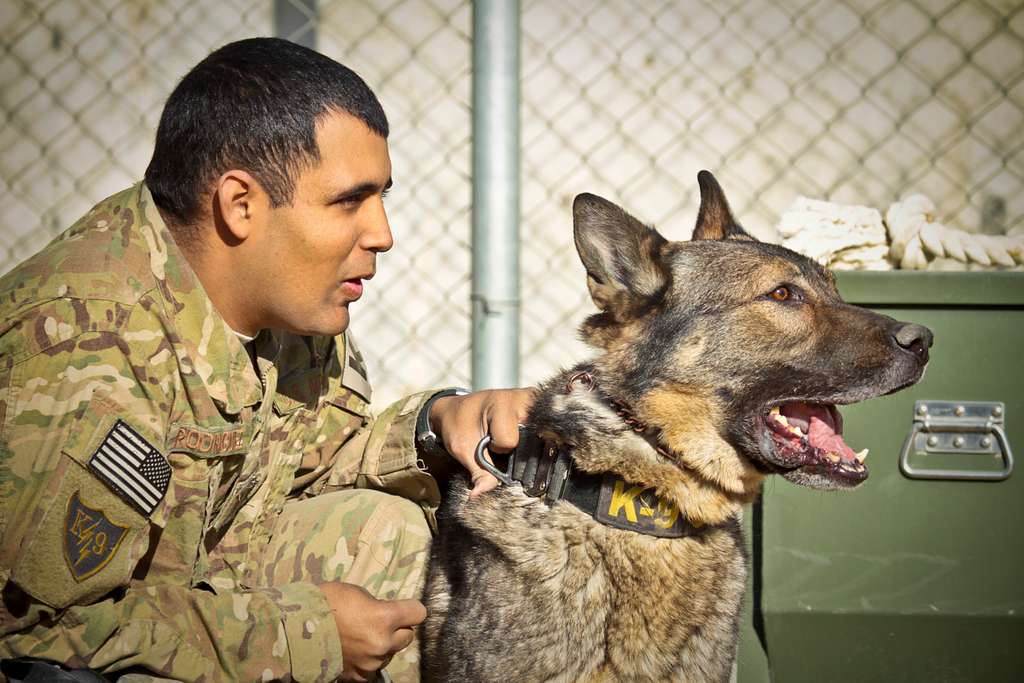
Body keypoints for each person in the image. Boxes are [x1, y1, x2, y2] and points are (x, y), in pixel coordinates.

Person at [0, 37, 532, 682]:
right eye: (348, 201)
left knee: (384, 533)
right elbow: (32, 636)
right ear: (240, 204)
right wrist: (301, 637)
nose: (383, 234)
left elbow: (311, 467)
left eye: (382, 197)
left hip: (200, 593)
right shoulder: (83, 349)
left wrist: (437, 427)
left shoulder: (290, 305)